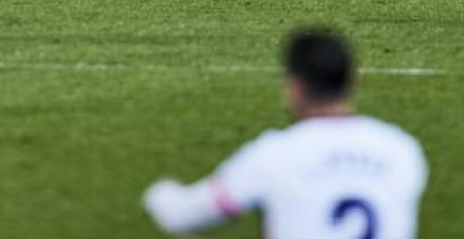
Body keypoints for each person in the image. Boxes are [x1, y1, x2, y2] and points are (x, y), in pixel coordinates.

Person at [143, 29, 427, 239]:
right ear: (353, 80)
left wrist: (160, 191)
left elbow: (180, 216)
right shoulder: (401, 150)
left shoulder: (274, 155)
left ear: (294, 87)